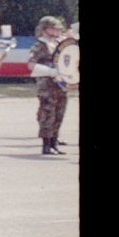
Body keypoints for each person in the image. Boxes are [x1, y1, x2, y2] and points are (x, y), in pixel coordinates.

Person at [27, 16, 71, 155]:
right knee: (47, 114)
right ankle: (46, 145)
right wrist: (51, 71)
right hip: (47, 85)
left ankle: (54, 143)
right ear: (45, 29)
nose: (57, 30)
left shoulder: (58, 43)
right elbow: (31, 65)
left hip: (60, 84)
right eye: (54, 27)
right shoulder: (40, 45)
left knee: (59, 113)